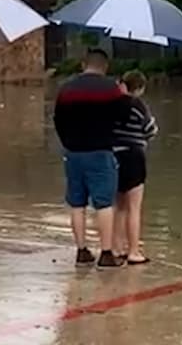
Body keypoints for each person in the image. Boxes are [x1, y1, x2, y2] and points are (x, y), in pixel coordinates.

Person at [53, 46, 132, 268]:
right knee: (104, 203)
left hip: (73, 153)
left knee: (77, 204)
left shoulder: (66, 89)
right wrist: (124, 96)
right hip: (101, 152)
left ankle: (81, 251)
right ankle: (106, 253)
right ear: (105, 67)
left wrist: (68, 143)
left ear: (83, 65)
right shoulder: (111, 89)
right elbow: (124, 118)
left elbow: (58, 120)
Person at [113, 70, 157, 265]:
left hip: (114, 156)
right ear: (139, 88)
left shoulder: (110, 105)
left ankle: (116, 248)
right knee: (134, 208)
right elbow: (150, 130)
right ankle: (133, 251)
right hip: (134, 157)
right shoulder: (138, 105)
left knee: (119, 206)